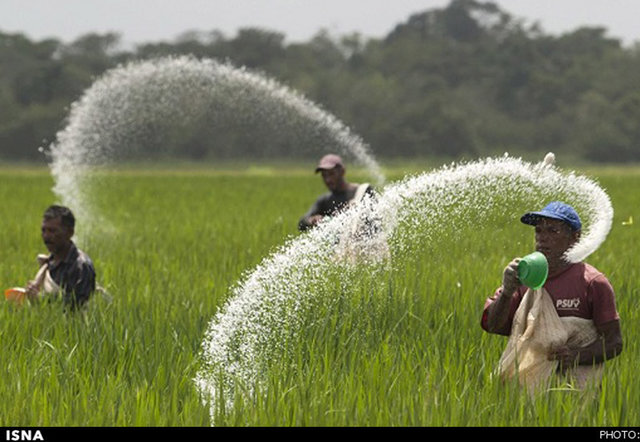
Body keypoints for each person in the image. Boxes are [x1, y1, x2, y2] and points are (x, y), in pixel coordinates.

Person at [481, 201, 622, 389]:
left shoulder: (593, 283)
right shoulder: (523, 278)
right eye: (539, 231)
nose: (542, 238)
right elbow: (493, 325)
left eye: (553, 231)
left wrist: (575, 356)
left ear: (575, 238)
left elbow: (614, 342)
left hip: (575, 393)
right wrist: (507, 292)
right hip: (525, 394)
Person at [25, 205, 96, 310]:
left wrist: (41, 299)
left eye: (52, 231)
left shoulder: (81, 266)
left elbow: (78, 305)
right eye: (43, 230)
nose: (46, 236)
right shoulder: (48, 262)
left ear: (70, 233)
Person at [298, 153, 375, 232]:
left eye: (331, 174)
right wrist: (312, 220)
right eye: (324, 175)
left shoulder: (363, 191)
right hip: (343, 243)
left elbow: (375, 222)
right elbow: (301, 223)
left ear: (342, 172)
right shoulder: (325, 201)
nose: (328, 180)